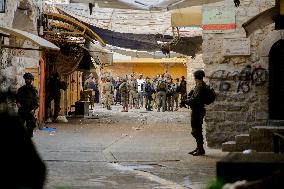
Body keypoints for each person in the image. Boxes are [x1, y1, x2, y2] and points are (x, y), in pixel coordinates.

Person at [185, 70, 207, 156]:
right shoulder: (199, 85)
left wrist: (186, 101)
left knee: (196, 130)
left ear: (195, 77)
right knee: (197, 129)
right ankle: (199, 147)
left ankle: (200, 149)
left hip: (198, 110)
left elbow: (195, 99)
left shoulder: (200, 86)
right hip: (197, 109)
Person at [16, 73, 39, 138]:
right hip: (22, 110)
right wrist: (18, 103)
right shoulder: (21, 89)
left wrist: (33, 109)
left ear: (32, 80)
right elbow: (17, 98)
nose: (28, 80)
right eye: (27, 79)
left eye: (29, 79)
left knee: (30, 125)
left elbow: (36, 101)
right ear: (25, 80)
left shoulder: (34, 90)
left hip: (30, 110)